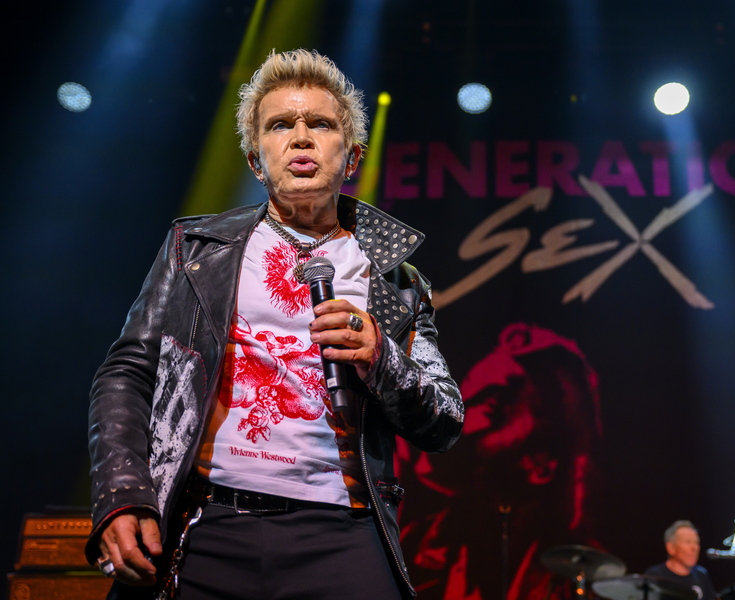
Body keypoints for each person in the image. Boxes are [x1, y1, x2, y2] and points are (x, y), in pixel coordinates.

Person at [85, 48, 464, 600]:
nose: (302, 137)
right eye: (281, 124)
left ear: (352, 156)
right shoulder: (197, 250)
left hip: (342, 529)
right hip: (209, 523)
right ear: (255, 160)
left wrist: (380, 355)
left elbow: (444, 420)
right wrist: (123, 492)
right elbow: (126, 374)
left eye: (321, 124)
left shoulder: (395, 280)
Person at [397, 322, 605, 600]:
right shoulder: (416, 544)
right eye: (476, 397)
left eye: (503, 399)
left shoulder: (579, 573)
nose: (478, 410)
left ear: (542, 464)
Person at [645, 520, 718, 600]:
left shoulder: (701, 575)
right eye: (688, 542)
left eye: (697, 542)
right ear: (671, 548)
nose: (694, 548)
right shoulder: (655, 575)